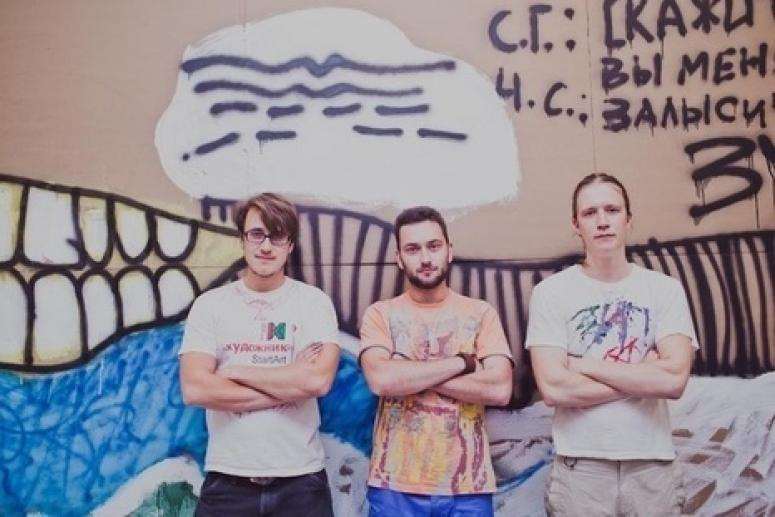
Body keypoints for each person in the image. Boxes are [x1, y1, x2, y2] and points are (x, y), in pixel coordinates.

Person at [526, 173, 697, 516]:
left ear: (628, 219)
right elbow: (555, 388)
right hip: (580, 470)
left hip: (653, 467)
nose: (602, 221)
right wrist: (644, 374)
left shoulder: (664, 289)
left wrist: (583, 365)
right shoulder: (551, 293)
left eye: (612, 210)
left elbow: (674, 380)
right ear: (576, 224)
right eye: (590, 213)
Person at [179, 193, 340, 517]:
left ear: (290, 244)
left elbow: (318, 382)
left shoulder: (313, 303)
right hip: (228, 483)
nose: (266, 246)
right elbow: (195, 389)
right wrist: (290, 381)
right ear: (242, 239)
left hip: (300, 484)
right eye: (257, 234)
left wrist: (236, 371)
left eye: (277, 236)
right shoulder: (211, 306)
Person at [359, 205, 514, 516]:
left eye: (434, 246)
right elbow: (382, 380)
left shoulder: (480, 313)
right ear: (399, 258)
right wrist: (463, 363)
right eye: (413, 249)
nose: (426, 258)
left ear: (449, 251)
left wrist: (409, 372)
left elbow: (499, 389)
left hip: (468, 489)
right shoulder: (381, 314)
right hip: (394, 488)